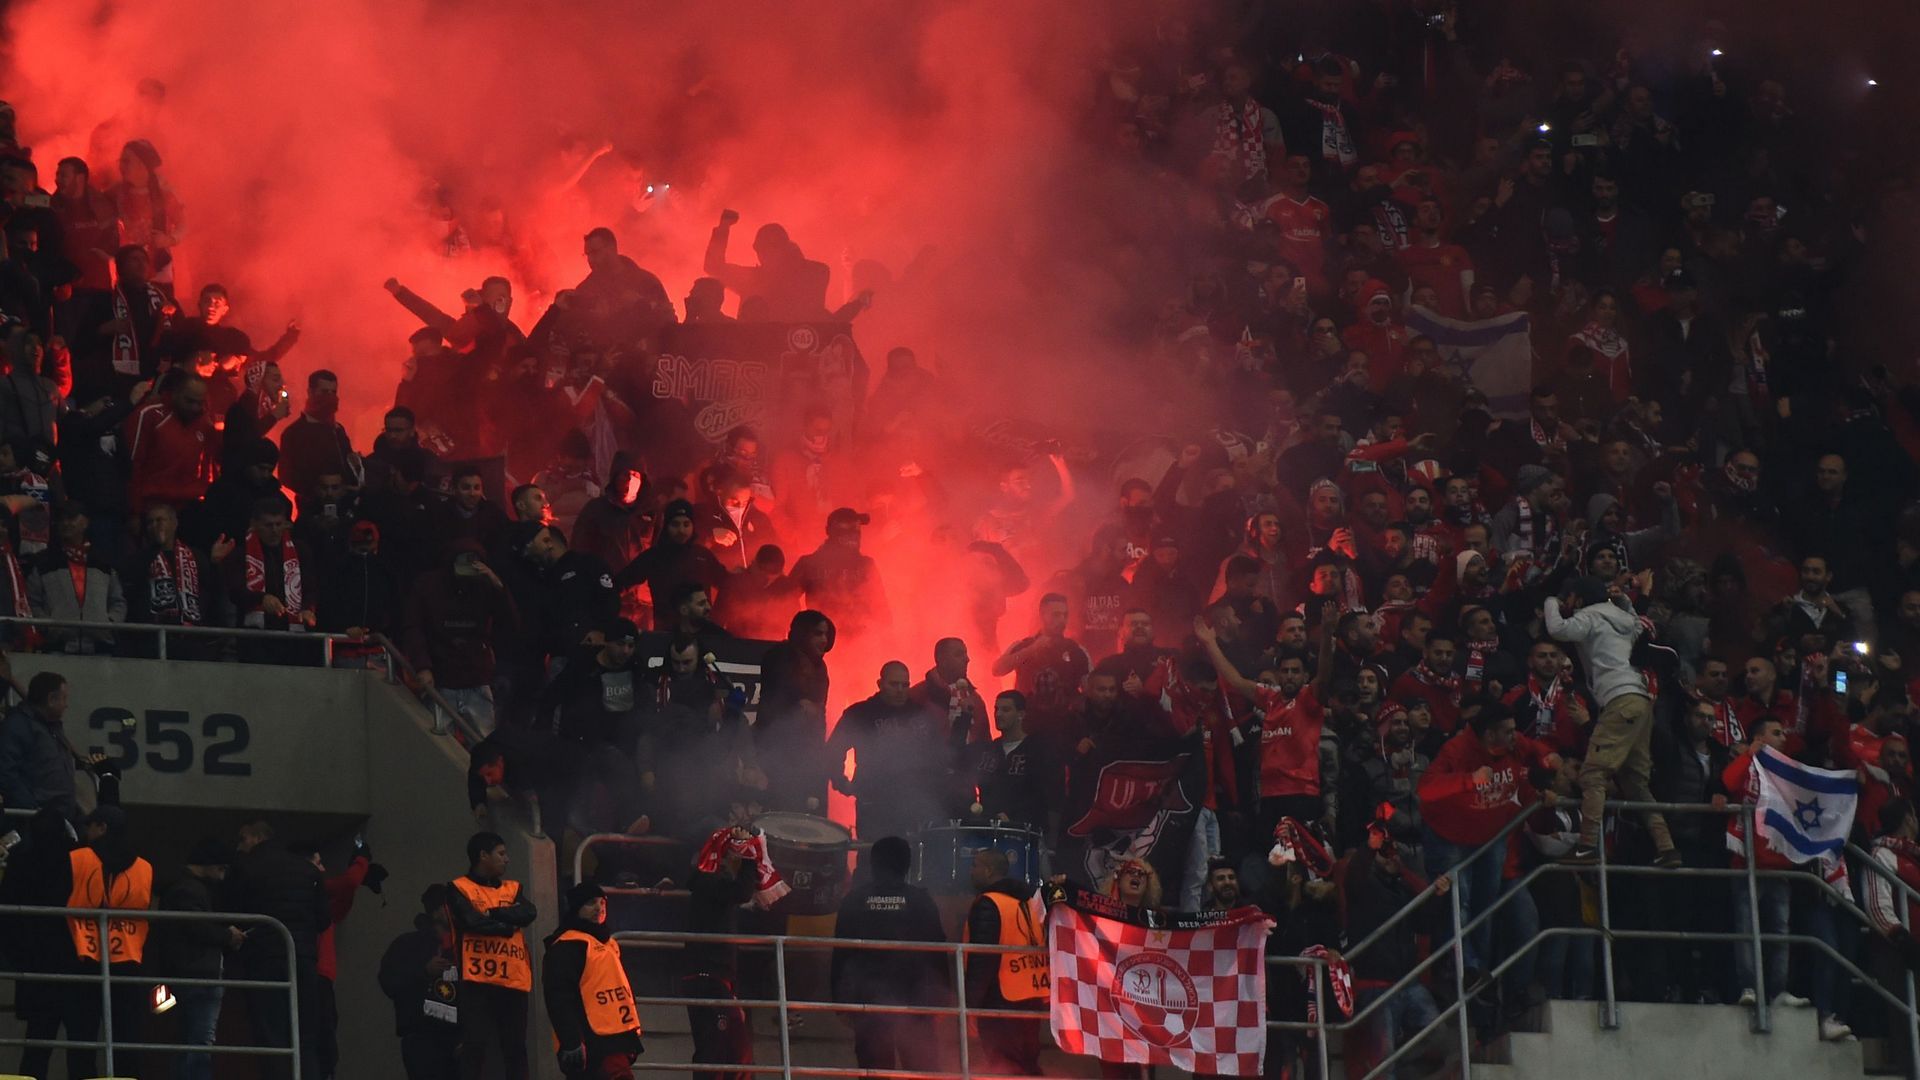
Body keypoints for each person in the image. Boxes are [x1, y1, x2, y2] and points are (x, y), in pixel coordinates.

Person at [1546, 576, 1680, 867]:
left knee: (1592, 774)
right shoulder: (1624, 619)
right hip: (1640, 701)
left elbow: (1557, 628)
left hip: (1618, 700)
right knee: (1635, 783)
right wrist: (1625, 601)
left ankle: (1587, 845)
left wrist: (1551, 602)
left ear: (1579, 599)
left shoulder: (1589, 617)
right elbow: (1636, 621)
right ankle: (1667, 847)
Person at [831, 835, 947, 1076]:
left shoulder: (853, 900)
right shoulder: (921, 901)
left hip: (868, 1001)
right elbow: (938, 953)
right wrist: (940, 997)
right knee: (922, 1070)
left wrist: (840, 1002)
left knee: (875, 1070)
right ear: (907, 865)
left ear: (873, 864)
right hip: (916, 1000)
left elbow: (840, 953)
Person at [62, 804, 154, 1080]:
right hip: (127, 956)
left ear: (102, 828)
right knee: (126, 1037)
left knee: (82, 1037)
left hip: (84, 953)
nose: (86, 831)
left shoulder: (77, 858)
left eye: (90, 826)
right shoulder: (144, 867)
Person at [827, 661, 958, 843]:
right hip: (875, 803)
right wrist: (842, 783)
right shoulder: (861, 713)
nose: (900, 690)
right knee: (873, 856)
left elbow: (938, 755)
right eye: (894, 684)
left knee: (911, 858)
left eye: (905, 685)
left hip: (915, 804)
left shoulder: (920, 715)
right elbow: (832, 752)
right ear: (880, 684)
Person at [406, 541, 518, 736]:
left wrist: (497, 585)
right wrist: (423, 665)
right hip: (443, 679)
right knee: (440, 744)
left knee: (481, 744)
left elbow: (510, 624)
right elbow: (413, 627)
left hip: (474, 677)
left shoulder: (483, 584)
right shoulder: (428, 586)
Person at [448, 832, 536, 1080]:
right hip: (478, 981)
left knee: (516, 1047)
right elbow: (470, 921)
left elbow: (529, 913)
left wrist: (494, 914)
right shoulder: (459, 888)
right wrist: (508, 924)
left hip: (514, 981)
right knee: (475, 1045)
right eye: (501, 853)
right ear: (482, 856)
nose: (507, 859)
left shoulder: (513, 888)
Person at [155, 837, 243, 1080]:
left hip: (188, 973)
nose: (222, 876)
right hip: (199, 975)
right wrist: (227, 936)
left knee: (189, 1041)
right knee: (200, 1041)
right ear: (208, 864)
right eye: (220, 868)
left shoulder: (182, 888)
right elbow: (195, 926)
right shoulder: (190, 890)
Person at [542, 882, 644, 1079]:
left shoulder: (607, 943)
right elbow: (558, 997)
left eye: (602, 902)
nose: (599, 908)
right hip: (590, 1040)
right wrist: (571, 1040)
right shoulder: (567, 946)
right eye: (591, 903)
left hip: (614, 1038)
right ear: (576, 908)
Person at [963, 848, 1049, 1076]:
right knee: (1027, 1062)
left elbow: (982, 959)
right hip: (1031, 995)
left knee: (1003, 1065)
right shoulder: (1031, 902)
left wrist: (970, 1003)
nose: (971, 871)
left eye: (975, 865)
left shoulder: (989, 903)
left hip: (1000, 999)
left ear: (989, 870)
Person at [377, 885, 460, 1080]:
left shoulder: (463, 945)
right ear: (437, 911)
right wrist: (423, 971)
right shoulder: (407, 945)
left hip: (458, 1040)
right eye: (451, 906)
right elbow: (389, 981)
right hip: (421, 1038)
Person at [755, 609, 835, 812]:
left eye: (826, 634)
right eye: (817, 633)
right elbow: (779, 703)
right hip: (779, 754)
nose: (824, 640)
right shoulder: (779, 656)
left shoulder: (820, 667)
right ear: (802, 633)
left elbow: (818, 711)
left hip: (808, 756)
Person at [788, 507, 890, 638]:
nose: (856, 535)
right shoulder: (810, 563)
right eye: (851, 530)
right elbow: (785, 601)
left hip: (858, 642)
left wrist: (886, 638)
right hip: (824, 641)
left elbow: (881, 609)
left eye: (857, 530)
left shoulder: (866, 564)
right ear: (835, 532)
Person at [0, 671, 80, 821]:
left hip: (58, 817)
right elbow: (6, 772)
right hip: (36, 819)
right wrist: (29, 806)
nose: (66, 705)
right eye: (64, 698)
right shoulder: (18, 726)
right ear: (50, 699)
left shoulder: (53, 727)